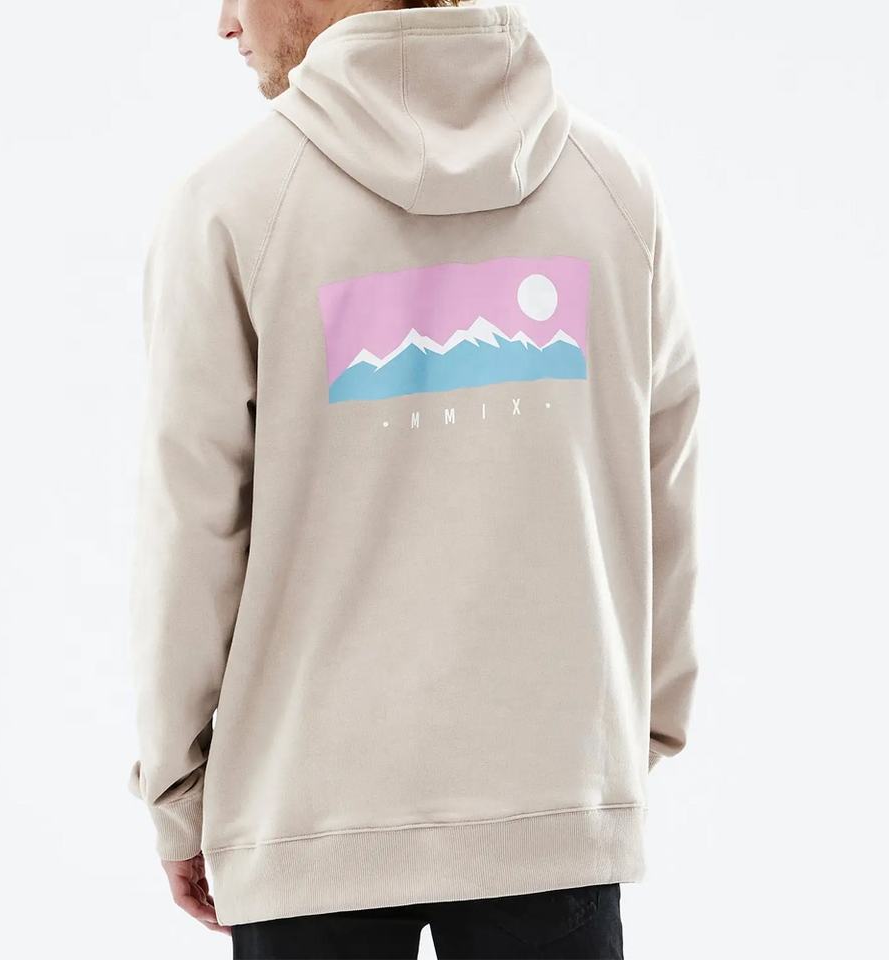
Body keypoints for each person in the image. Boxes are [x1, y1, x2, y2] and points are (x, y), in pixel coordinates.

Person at [126, 0, 701, 956]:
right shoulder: (613, 188)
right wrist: (627, 749)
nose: (225, 22)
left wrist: (177, 795)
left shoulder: (231, 204)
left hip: (305, 821)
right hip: (555, 801)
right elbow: (666, 480)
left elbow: (191, 531)